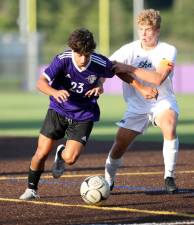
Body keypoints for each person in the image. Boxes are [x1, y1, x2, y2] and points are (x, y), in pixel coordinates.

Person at [19, 28, 157, 200]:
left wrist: (138, 88)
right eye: (79, 54)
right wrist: (54, 92)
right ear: (72, 50)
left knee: (70, 159)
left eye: (87, 54)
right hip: (58, 109)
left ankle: (61, 154)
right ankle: (31, 189)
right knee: (42, 152)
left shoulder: (99, 61)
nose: (83, 59)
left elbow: (118, 72)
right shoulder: (62, 60)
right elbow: (41, 83)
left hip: (84, 114)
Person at [105, 9, 179, 194]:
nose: (144, 34)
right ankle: (108, 178)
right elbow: (110, 67)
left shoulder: (168, 50)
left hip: (162, 102)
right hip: (137, 106)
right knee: (119, 144)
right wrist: (100, 84)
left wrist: (129, 67)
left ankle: (169, 176)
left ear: (157, 30)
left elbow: (158, 78)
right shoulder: (129, 49)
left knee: (169, 126)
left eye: (148, 29)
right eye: (141, 29)